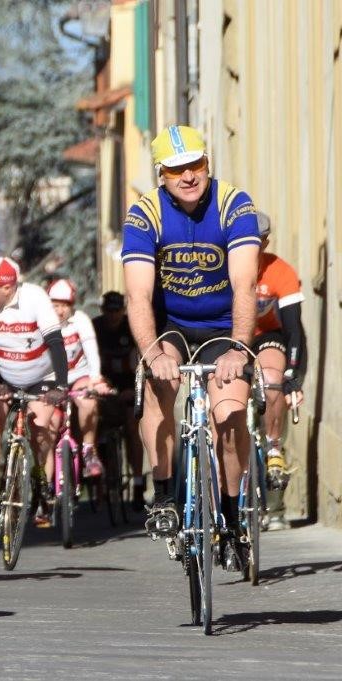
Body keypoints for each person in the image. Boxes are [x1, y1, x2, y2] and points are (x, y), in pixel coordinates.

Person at [122, 124, 261, 571]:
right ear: (160, 174)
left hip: (224, 326)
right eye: (175, 169)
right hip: (172, 326)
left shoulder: (234, 204)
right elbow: (138, 295)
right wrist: (152, 353)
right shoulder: (144, 214)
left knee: (230, 415)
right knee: (157, 392)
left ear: (208, 164)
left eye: (195, 165)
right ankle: (162, 494)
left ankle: (232, 514)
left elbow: (245, 285)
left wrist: (239, 348)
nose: (187, 176)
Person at [0, 257, 69, 529]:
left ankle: (42, 484)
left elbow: (55, 341)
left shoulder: (35, 298)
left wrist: (61, 386)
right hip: (4, 373)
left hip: (40, 375)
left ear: (7, 288)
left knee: (41, 429)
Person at [252, 211, 306, 531]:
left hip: (269, 338)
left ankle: (273, 450)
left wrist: (292, 376)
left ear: (265, 242)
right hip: (230, 337)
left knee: (271, 381)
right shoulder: (221, 268)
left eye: (254, 243)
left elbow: (294, 329)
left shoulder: (280, 270)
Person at [47, 278, 110, 478]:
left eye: (65, 306)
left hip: (78, 375)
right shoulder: (42, 322)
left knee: (88, 400)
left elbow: (91, 351)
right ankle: (45, 481)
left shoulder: (80, 320)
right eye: (55, 305)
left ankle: (89, 451)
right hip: (50, 378)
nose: (60, 311)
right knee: (50, 424)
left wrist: (96, 378)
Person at [92, 291, 146, 509]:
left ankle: (138, 481)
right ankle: (101, 482)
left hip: (129, 383)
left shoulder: (130, 326)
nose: (113, 315)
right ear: (103, 310)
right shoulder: (96, 327)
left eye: (117, 310)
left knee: (133, 428)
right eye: (109, 311)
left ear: (123, 310)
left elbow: (141, 359)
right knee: (96, 424)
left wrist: (135, 388)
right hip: (103, 382)